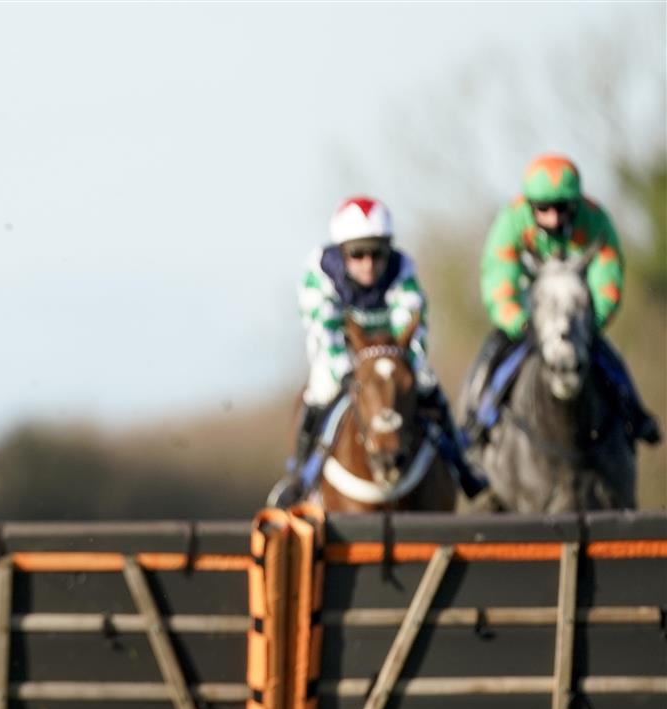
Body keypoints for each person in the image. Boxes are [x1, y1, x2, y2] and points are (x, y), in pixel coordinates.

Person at [270, 196, 483, 507]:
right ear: (343, 253)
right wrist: (347, 370)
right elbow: (324, 331)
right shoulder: (319, 274)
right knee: (320, 390)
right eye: (358, 254)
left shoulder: (402, 268)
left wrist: (404, 362)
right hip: (341, 355)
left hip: (393, 352)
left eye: (377, 254)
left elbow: (412, 321)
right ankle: (301, 476)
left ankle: (461, 466)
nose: (369, 264)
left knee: (427, 383)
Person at [468, 154, 659, 444]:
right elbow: (498, 279)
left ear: (576, 204)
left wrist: (589, 323)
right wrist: (519, 321)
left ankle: (635, 414)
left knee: (609, 358)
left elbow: (608, 281)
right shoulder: (510, 220)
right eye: (544, 209)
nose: (554, 218)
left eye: (562, 208)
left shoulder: (595, 220)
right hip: (528, 317)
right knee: (491, 356)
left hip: (576, 317)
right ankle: (477, 420)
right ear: (531, 206)